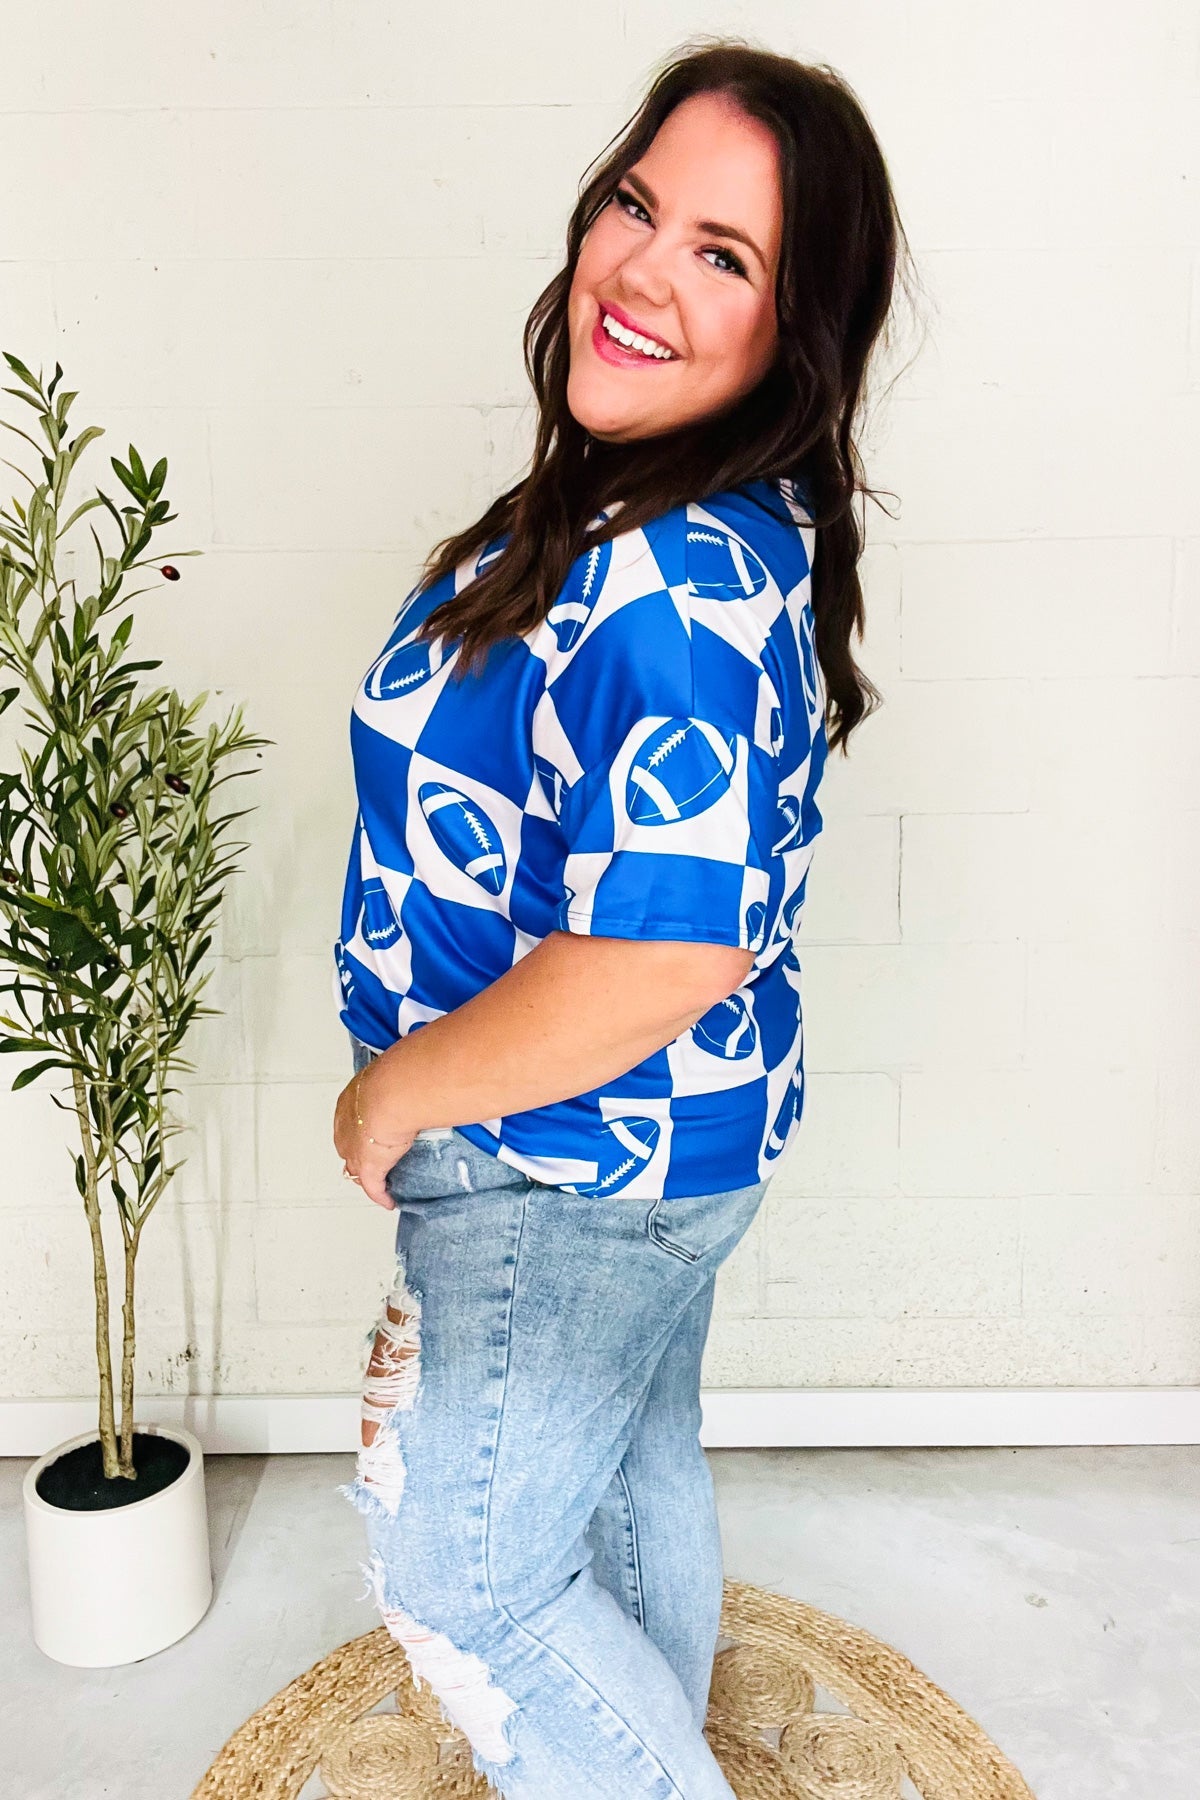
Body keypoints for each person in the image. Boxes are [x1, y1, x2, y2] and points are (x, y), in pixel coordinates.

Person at [331, 37, 913, 1800]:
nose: (642, 270)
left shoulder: (665, 567)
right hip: (665, 1158)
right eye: (637, 204)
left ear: (789, 332)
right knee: (633, 1467)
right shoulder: (697, 509)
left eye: (723, 256)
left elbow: (666, 947)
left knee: (470, 1587)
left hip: (560, 1166)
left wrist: (396, 1091)